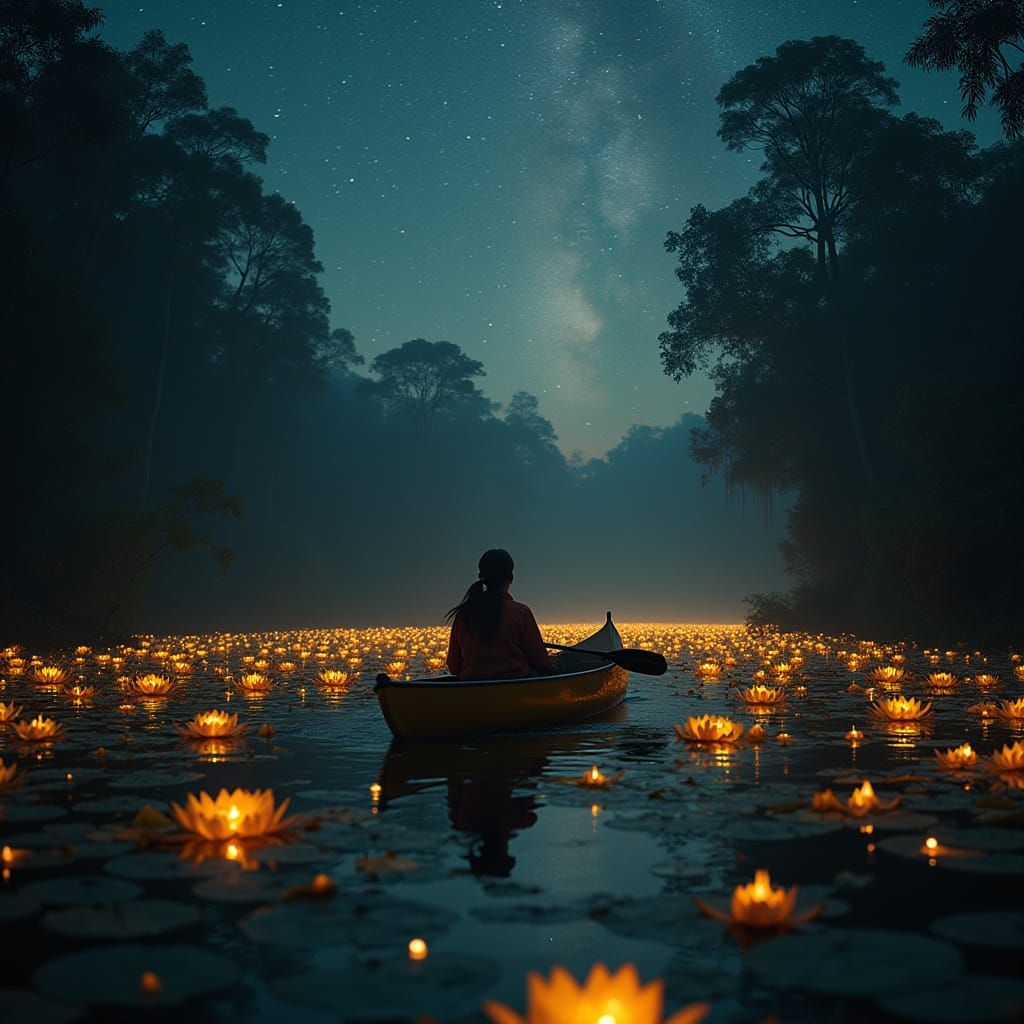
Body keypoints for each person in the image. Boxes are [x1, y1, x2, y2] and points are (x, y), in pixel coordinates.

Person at [445, 548, 560, 680]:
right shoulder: (521, 613)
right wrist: (554, 667)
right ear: (510, 579)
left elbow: (454, 667)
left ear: (481, 576)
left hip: (472, 688)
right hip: (515, 685)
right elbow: (542, 664)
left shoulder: (463, 615)